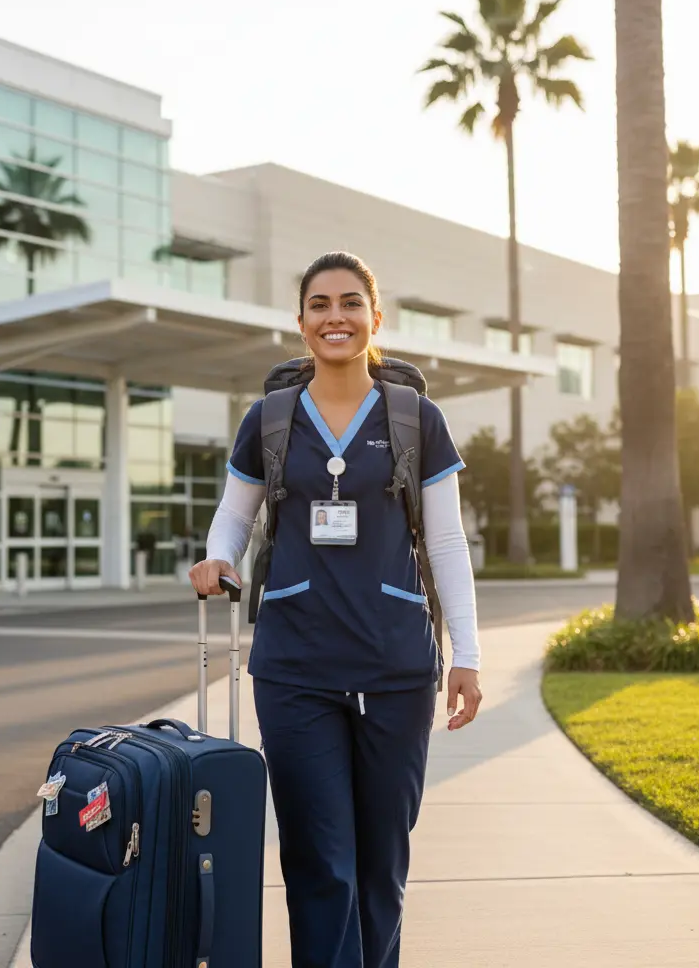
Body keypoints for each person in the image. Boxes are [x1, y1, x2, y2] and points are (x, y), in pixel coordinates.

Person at [190, 251, 482, 968]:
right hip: (295, 669)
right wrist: (218, 558)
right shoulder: (270, 419)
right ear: (301, 322)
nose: (335, 317)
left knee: (382, 863)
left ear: (375, 317)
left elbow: (447, 542)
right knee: (320, 859)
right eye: (319, 305)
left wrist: (467, 656)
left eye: (351, 303)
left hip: (396, 668)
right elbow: (235, 517)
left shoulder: (416, 419)